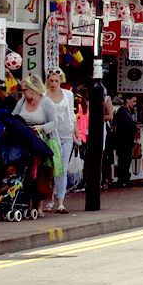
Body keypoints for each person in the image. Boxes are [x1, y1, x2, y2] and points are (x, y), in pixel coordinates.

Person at [13, 75, 60, 217]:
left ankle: (38, 205)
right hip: (23, 138)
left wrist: (41, 128)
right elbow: (14, 116)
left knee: (38, 172)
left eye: (25, 90)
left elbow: (54, 123)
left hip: (40, 139)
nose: (23, 93)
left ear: (33, 89)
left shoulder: (46, 103)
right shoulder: (22, 101)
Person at [44, 68, 81, 213]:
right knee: (50, 168)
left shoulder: (68, 94)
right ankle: (49, 199)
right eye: (51, 80)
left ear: (61, 81)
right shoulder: (44, 95)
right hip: (50, 135)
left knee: (62, 169)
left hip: (66, 134)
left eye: (56, 81)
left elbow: (71, 114)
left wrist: (76, 131)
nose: (54, 83)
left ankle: (60, 201)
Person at [112, 94, 138, 188]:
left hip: (126, 140)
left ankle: (124, 179)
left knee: (126, 160)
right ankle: (122, 179)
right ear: (128, 100)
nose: (134, 104)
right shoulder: (123, 111)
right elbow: (123, 126)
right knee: (124, 160)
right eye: (133, 101)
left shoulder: (127, 111)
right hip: (124, 140)